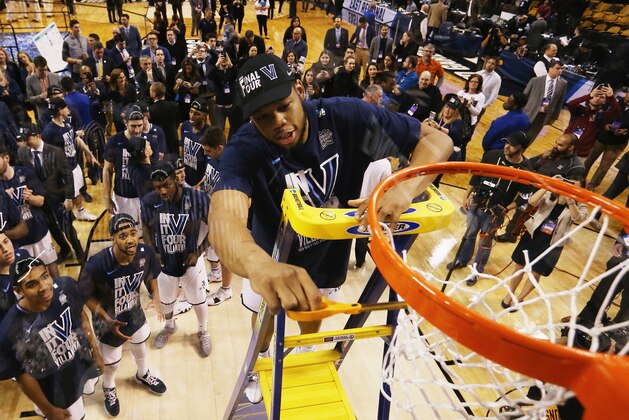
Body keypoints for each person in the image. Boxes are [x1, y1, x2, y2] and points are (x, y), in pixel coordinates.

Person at [208, 54, 452, 402]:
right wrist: (258, 264)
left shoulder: (345, 117)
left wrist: (405, 186)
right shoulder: (246, 147)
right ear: (251, 119)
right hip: (271, 259)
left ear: (300, 89)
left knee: (312, 314)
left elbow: (436, 142)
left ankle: (306, 356)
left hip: (327, 259)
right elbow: (223, 218)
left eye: (284, 107)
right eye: (263, 117)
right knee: (264, 323)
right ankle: (258, 361)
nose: (278, 122)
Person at [79, 213, 166, 416]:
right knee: (112, 362)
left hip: (133, 310)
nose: (130, 240)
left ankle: (143, 374)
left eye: (133, 233)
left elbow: (151, 275)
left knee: (140, 343)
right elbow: (84, 295)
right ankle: (108, 387)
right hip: (107, 319)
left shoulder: (145, 252)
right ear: (112, 238)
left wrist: (156, 298)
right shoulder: (96, 264)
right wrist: (103, 316)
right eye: (123, 235)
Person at [0, 252, 101, 420]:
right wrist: (48, 409)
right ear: (18, 291)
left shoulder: (65, 286)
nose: (44, 287)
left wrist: (95, 352)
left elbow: (81, 315)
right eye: (32, 284)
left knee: (86, 390)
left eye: (45, 276)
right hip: (56, 387)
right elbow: (22, 375)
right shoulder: (10, 330)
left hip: (79, 363)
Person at [141, 160, 212, 357]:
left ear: (176, 179)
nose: (162, 191)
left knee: (198, 300)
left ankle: (203, 330)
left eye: (166, 185)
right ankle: (170, 326)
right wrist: (152, 251)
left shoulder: (197, 199)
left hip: (190, 261)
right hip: (165, 263)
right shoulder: (149, 201)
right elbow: (145, 225)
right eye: (157, 188)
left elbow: (215, 226)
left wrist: (199, 252)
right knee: (166, 302)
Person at [449, 131, 532, 286]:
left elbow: (524, 197)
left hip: (496, 213)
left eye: (512, 144)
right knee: (469, 234)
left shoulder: (526, 170)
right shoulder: (492, 155)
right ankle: (461, 259)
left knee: (485, 243)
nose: (507, 146)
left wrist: (507, 209)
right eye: (506, 143)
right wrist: (466, 196)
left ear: (521, 147)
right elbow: (477, 176)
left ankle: (476, 271)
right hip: (477, 205)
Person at [501, 178, 587, 308]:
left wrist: (571, 201)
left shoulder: (581, 204)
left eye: (572, 185)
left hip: (553, 242)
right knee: (519, 266)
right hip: (533, 234)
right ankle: (510, 295)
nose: (568, 186)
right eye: (567, 183)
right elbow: (532, 201)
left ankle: (520, 298)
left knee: (536, 272)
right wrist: (548, 185)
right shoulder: (550, 194)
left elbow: (578, 218)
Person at [497, 133, 585, 243]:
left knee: (533, 223)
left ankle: (525, 240)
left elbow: (571, 189)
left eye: (560, 145)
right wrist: (541, 157)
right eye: (556, 142)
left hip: (547, 202)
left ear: (571, 147)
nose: (555, 146)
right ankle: (511, 234)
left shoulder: (576, 167)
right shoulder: (550, 154)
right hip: (532, 192)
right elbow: (529, 166)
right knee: (519, 213)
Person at [199, 127, 234, 305]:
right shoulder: (214, 158)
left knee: (225, 253)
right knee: (212, 247)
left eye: (208, 150)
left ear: (220, 147)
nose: (205, 153)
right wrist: (199, 186)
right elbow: (209, 177)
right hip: (210, 209)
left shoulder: (230, 166)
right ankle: (215, 273)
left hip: (224, 215)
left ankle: (226, 289)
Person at [103, 105, 146, 229]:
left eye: (140, 125)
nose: (137, 130)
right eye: (133, 126)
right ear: (125, 123)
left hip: (143, 196)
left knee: (145, 233)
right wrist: (106, 197)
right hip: (122, 196)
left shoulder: (149, 141)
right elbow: (107, 170)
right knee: (123, 231)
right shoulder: (114, 141)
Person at [585, 92, 629, 191]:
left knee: (604, 166)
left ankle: (592, 185)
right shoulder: (614, 101)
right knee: (588, 159)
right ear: (626, 94)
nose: (627, 102)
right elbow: (599, 114)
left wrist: (626, 131)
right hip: (602, 137)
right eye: (626, 99)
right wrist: (604, 124)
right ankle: (579, 177)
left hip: (617, 143)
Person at [565, 84, 620, 162]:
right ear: (590, 98)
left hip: (581, 153)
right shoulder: (579, 109)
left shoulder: (603, 116)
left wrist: (611, 97)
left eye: (602, 97)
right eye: (596, 95)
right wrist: (589, 95)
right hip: (565, 147)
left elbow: (616, 111)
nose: (598, 98)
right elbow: (571, 104)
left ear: (604, 101)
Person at [523, 59, 568, 143]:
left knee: (530, 138)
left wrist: (554, 117)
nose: (560, 71)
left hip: (543, 115)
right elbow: (524, 96)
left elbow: (559, 102)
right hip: (528, 113)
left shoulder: (563, 84)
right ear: (550, 68)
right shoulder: (535, 80)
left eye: (562, 69)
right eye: (557, 68)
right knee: (519, 133)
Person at [180, 99, 211, 187]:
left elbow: (210, 163)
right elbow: (182, 146)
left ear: (204, 116)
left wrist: (200, 184)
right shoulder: (185, 125)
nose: (192, 116)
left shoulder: (209, 133)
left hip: (200, 181)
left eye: (196, 113)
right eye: (191, 112)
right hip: (186, 177)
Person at [25, 56, 61, 126]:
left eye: (45, 69)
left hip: (58, 109)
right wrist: (40, 97)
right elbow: (30, 98)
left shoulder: (55, 76)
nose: (44, 72)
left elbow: (63, 92)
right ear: (35, 67)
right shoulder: (29, 80)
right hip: (43, 111)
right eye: (41, 70)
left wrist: (57, 95)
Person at [149, 82, 180, 155]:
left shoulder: (151, 110)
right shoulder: (174, 106)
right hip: (173, 139)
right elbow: (178, 121)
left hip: (159, 143)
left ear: (154, 93)